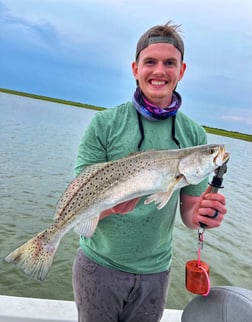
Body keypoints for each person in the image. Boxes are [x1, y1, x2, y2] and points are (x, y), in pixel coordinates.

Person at [72, 21, 227, 322]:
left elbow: (189, 211)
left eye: (170, 63)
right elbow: (81, 197)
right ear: (135, 68)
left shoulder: (193, 135)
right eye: (150, 62)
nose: (159, 71)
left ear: (182, 71)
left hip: (156, 272)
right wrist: (112, 207)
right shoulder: (104, 124)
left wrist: (204, 214)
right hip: (99, 266)